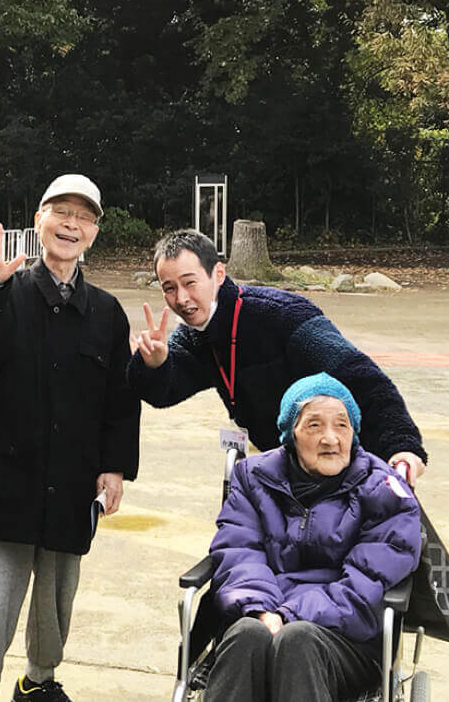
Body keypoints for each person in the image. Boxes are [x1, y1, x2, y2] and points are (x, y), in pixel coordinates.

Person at [0, 175, 140, 702]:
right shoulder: (4, 289)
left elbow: (120, 399)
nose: (71, 225)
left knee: (57, 595)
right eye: (61, 212)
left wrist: (114, 466)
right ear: (38, 220)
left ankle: (38, 681)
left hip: (72, 477)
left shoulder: (105, 311)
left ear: (94, 233)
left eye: (84, 217)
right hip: (4, 475)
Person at [127, 229, 428, 483]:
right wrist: (154, 364)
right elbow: (166, 390)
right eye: (169, 288)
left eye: (190, 282)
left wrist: (402, 446)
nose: (181, 298)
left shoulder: (281, 315)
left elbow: (362, 377)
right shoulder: (196, 333)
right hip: (283, 469)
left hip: (344, 462)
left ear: (218, 273)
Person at [204, 372, 422, 702]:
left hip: (346, 639)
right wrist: (262, 610)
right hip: (263, 615)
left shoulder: (384, 490)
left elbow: (367, 585)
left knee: (297, 640)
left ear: (355, 432)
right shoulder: (253, 479)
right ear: (290, 434)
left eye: (342, 425)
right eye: (314, 425)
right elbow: (238, 552)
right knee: (245, 634)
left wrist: (289, 615)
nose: (331, 439)